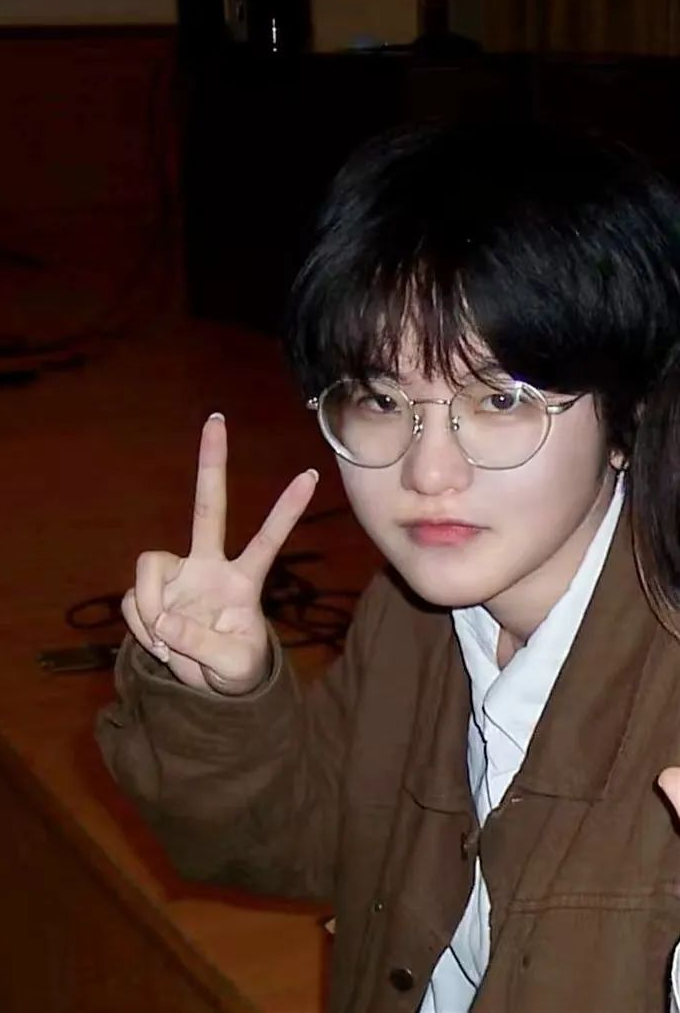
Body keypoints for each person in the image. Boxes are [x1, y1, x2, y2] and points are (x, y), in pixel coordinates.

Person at [96, 121, 680, 1012]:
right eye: (380, 397)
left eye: (499, 399)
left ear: (629, 415)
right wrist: (216, 702)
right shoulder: (410, 617)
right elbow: (299, 847)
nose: (427, 473)